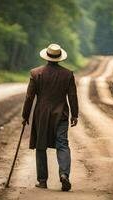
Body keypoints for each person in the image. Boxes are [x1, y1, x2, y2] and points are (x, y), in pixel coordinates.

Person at [22, 43, 79, 191]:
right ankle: (64, 174)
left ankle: (42, 181)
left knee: (41, 146)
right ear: (59, 58)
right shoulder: (68, 74)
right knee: (62, 144)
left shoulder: (36, 73)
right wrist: (75, 115)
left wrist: (25, 115)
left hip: (42, 114)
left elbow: (29, 97)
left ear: (47, 57)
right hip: (61, 114)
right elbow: (72, 96)